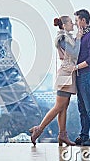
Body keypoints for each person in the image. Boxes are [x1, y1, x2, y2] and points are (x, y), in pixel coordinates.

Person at [29, 15, 82, 146]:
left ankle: (62, 135)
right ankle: (39, 129)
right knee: (59, 106)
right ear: (64, 25)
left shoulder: (65, 37)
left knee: (64, 106)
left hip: (68, 72)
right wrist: (79, 38)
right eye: (70, 23)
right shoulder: (63, 38)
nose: (73, 25)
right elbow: (74, 53)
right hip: (66, 73)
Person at [72, 9, 90, 146]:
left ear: (83, 20)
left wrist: (76, 67)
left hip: (85, 74)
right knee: (82, 108)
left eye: (77, 20)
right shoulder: (81, 36)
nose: (76, 23)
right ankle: (84, 135)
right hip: (79, 75)